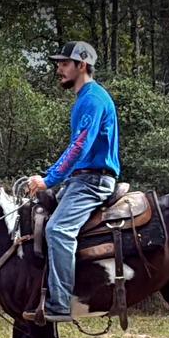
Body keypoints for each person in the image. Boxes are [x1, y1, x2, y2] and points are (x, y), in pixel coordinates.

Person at [24, 41, 121, 323]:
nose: (59, 69)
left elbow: (79, 146)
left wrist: (48, 179)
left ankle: (60, 303)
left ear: (82, 65)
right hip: (81, 179)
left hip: (93, 181)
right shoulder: (85, 98)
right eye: (59, 64)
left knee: (58, 230)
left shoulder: (92, 99)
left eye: (65, 64)